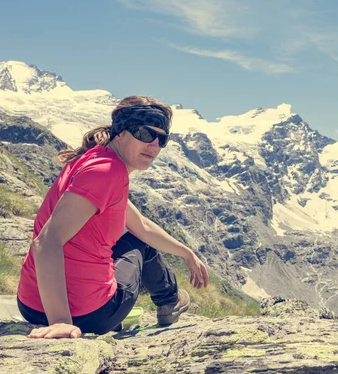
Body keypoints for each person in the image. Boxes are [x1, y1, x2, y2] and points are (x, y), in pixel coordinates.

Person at [16, 95, 209, 339]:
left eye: (162, 139)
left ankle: (168, 300)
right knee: (140, 245)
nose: (154, 145)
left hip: (31, 306)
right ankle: (169, 301)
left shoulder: (92, 160)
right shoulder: (108, 172)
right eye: (146, 134)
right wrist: (61, 322)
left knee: (136, 237)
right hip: (89, 314)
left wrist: (186, 253)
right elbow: (46, 242)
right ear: (121, 132)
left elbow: (141, 224)